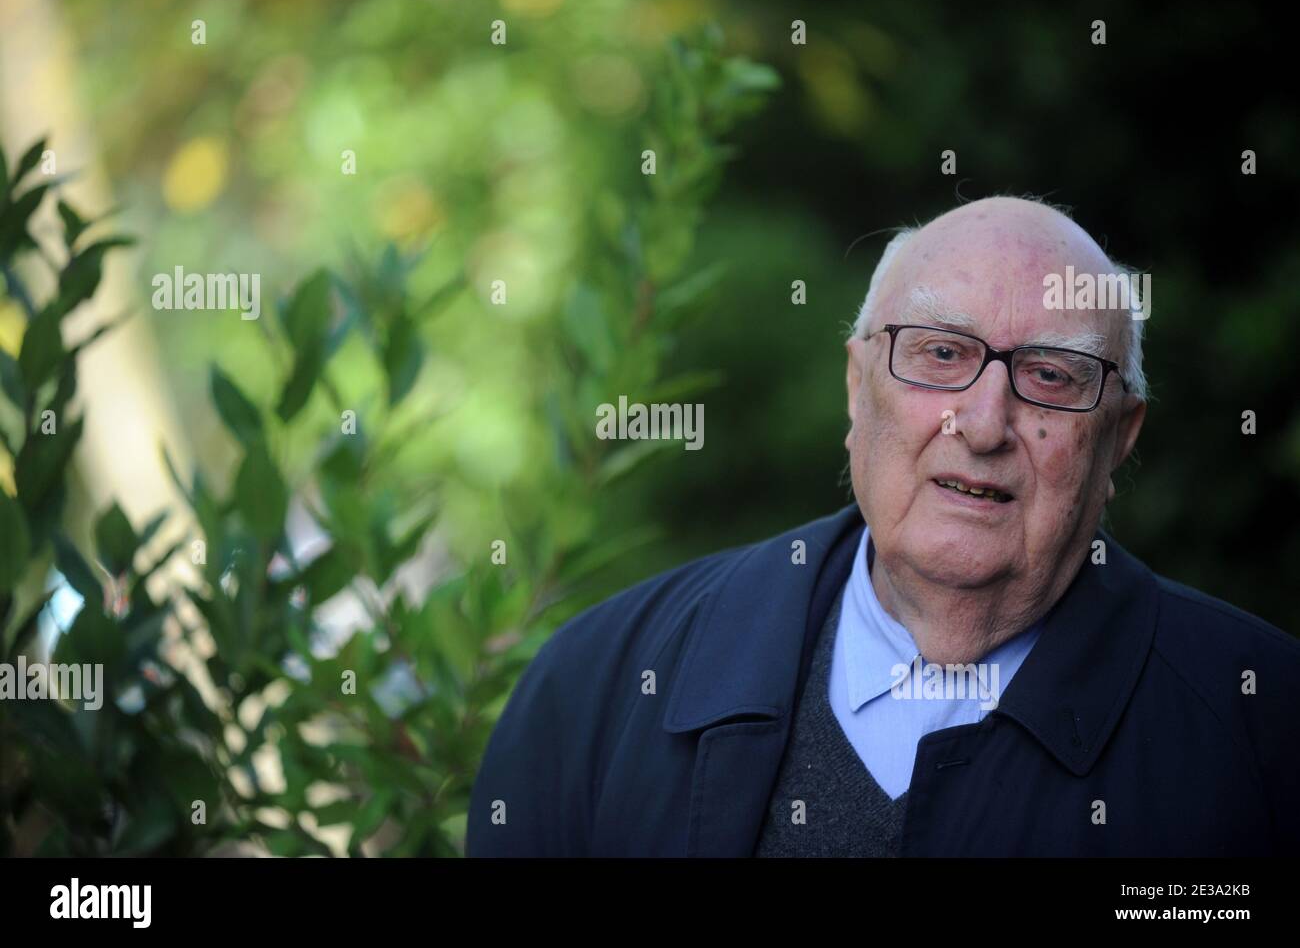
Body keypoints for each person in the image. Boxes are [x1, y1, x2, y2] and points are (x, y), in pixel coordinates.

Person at [467, 196, 1300, 857]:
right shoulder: (594, 689)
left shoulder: (1264, 729)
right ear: (858, 389)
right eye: (940, 353)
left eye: (1050, 374)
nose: (982, 423)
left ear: (1118, 437)